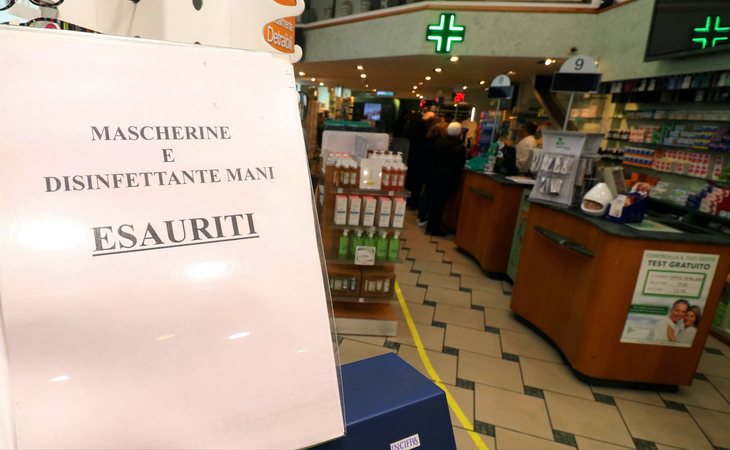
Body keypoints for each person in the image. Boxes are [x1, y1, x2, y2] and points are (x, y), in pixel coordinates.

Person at [422, 122, 467, 236]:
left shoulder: (438, 143)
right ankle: (435, 227)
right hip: (448, 179)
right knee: (440, 204)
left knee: (433, 202)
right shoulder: (459, 148)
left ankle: (430, 226)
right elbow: (459, 166)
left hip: (434, 176)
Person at [405, 111, 436, 209]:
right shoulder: (430, 129)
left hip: (412, 156)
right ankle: (414, 202)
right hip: (423, 160)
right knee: (418, 184)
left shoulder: (413, 126)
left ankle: (407, 201)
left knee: (410, 180)